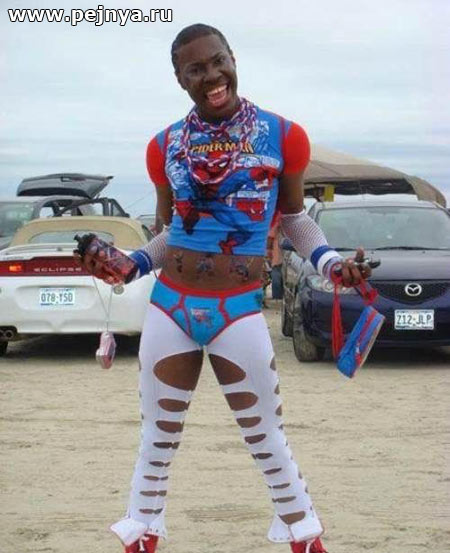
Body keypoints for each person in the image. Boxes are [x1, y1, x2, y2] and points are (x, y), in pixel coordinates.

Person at [76, 24, 372, 553]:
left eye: (218, 61)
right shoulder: (163, 145)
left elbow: (294, 219)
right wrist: (131, 264)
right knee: (157, 437)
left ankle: (305, 538)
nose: (212, 76)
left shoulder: (284, 136)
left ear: (232, 58)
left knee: (265, 436)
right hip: (171, 306)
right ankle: (141, 536)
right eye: (196, 69)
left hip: (237, 310)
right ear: (180, 79)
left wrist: (330, 264)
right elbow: (171, 231)